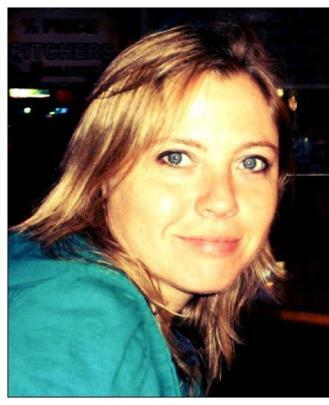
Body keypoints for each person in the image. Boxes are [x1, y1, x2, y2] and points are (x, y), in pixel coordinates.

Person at [8, 23, 291, 397]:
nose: (223, 201)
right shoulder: (74, 319)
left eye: (251, 162)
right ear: (102, 172)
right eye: (176, 157)